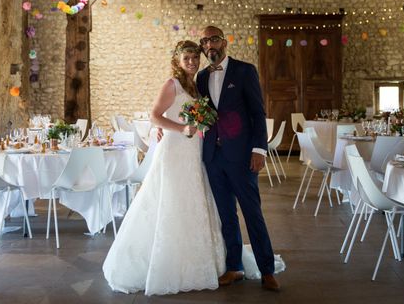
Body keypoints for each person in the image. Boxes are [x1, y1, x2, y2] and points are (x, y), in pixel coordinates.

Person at [102, 40, 226, 296]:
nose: (191, 62)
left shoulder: (196, 85)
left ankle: (197, 259)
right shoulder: (173, 84)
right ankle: (165, 262)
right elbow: (155, 115)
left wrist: (196, 126)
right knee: (171, 200)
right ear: (177, 61)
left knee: (192, 199)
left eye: (194, 57)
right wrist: (180, 128)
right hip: (174, 149)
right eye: (186, 58)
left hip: (193, 150)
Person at [196, 26, 281, 292]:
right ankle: (235, 267)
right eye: (206, 41)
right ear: (203, 46)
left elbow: (258, 112)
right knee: (226, 215)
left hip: (243, 156)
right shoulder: (200, 77)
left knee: (252, 213)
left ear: (224, 42)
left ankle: (266, 269)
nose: (211, 45)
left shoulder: (245, 71)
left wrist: (259, 150)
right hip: (213, 156)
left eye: (215, 39)